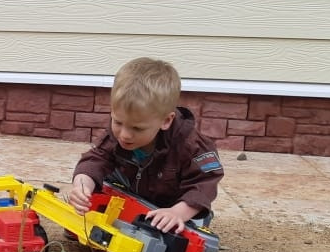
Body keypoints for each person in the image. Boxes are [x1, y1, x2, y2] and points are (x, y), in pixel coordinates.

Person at [69, 57, 223, 234]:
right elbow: (97, 158)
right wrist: (82, 187)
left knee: (188, 232)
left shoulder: (190, 144)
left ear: (166, 121)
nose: (124, 134)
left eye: (137, 128)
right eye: (118, 122)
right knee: (98, 177)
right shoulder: (120, 132)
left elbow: (205, 182)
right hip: (133, 190)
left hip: (174, 204)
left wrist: (178, 212)